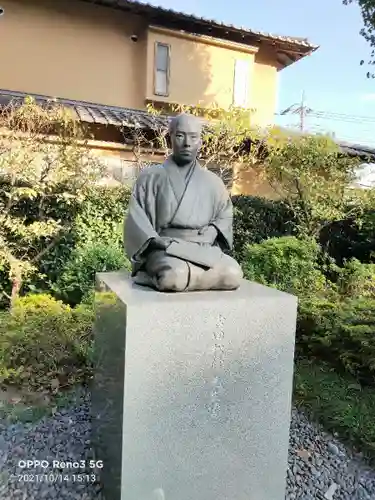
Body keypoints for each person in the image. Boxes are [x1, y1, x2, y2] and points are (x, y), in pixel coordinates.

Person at [124, 112, 243, 292]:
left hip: (202, 248)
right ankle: (153, 274)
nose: (187, 143)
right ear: (170, 137)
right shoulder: (151, 177)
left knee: (233, 274)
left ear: (200, 142)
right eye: (180, 136)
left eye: (193, 137)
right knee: (174, 278)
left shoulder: (213, 181)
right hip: (166, 248)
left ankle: (180, 277)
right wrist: (157, 242)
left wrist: (213, 231)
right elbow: (137, 218)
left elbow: (224, 214)